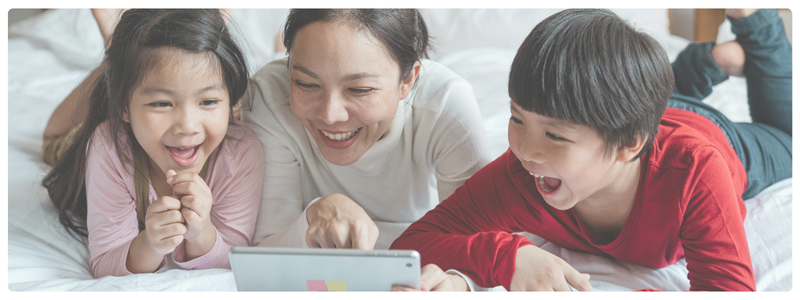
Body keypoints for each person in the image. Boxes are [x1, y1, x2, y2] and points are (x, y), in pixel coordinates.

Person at [390, 8, 791, 291]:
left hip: (713, 133)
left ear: (628, 146)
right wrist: (507, 256)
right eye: (517, 119)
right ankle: (703, 64)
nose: (526, 151)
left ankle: (755, 23)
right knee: (653, 95)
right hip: (635, 114)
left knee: (788, 138)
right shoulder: (522, 173)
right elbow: (413, 243)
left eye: (555, 136)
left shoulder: (696, 171)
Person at [242, 9, 491, 251]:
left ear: (407, 80)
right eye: (306, 84)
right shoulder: (269, 97)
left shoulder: (445, 104)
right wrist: (312, 217)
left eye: (359, 89)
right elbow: (262, 251)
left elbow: (483, 246)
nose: (330, 116)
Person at [41, 9, 264, 278]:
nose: (187, 127)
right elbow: (104, 264)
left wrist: (202, 233)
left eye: (208, 101)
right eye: (161, 103)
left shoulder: (240, 153)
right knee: (53, 139)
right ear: (123, 106)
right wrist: (149, 245)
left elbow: (236, 260)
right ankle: (114, 57)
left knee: (195, 86)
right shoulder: (109, 146)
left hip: (216, 122)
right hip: (120, 128)